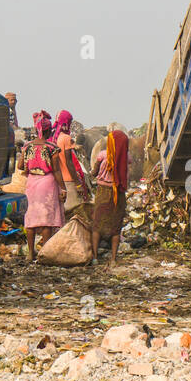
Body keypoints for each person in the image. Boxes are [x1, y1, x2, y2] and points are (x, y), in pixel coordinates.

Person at [21, 111, 64, 261]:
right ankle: (44, 254)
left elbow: (21, 165)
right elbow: (57, 170)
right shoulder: (52, 147)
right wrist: (63, 188)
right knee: (47, 221)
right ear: (48, 130)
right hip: (47, 183)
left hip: (31, 183)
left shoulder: (27, 146)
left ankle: (30, 253)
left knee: (31, 219)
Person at [90, 127, 130, 265]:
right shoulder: (126, 157)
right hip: (118, 194)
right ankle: (113, 259)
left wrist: (94, 171)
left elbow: (94, 173)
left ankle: (95, 257)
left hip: (102, 193)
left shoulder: (102, 155)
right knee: (115, 227)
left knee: (97, 225)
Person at [52, 110, 91, 214]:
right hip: (69, 181)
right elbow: (69, 162)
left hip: (58, 181)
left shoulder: (54, 139)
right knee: (74, 213)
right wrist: (78, 184)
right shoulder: (66, 138)